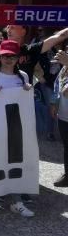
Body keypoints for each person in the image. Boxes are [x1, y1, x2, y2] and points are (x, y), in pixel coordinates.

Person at [0, 40, 34, 217]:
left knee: (15, 163)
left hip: (16, 129)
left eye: (12, 56)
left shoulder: (23, 77)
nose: (8, 59)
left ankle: (17, 201)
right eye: (5, 56)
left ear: (18, 57)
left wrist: (27, 91)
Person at [50, 50, 68, 187]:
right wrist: (54, 103)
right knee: (67, 145)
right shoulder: (64, 67)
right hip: (64, 115)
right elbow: (58, 86)